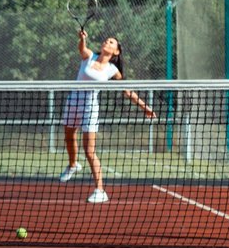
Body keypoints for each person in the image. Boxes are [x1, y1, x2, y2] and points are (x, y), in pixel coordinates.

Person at [59, 29, 156, 204]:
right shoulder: (89, 56)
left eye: (111, 42)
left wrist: (145, 107)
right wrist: (82, 39)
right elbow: (82, 49)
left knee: (89, 151)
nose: (107, 42)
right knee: (68, 137)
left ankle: (100, 190)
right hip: (73, 101)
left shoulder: (112, 70)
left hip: (90, 107)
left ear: (116, 51)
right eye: (106, 40)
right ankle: (73, 165)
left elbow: (127, 91)